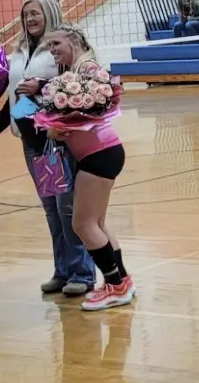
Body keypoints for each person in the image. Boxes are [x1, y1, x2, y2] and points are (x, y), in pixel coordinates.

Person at [0, 0, 94, 297]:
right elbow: (15, 101)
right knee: (52, 210)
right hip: (33, 144)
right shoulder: (20, 51)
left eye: (35, 13)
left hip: (57, 142)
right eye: (26, 14)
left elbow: (74, 88)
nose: (30, 19)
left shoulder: (59, 47)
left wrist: (41, 90)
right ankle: (63, 270)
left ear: (49, 14)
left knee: (67, 210)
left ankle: (82, 273)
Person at [42, 25, 134, 312]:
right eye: (49, 46)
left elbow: (87, 116)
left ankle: (115, 287)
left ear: (73, 41)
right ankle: (122, 281)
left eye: (56, 43)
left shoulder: (87, 71)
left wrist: (56, 128)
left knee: (82, 224)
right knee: (98, 223)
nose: (53, 49)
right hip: (101, 153)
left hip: (99, 153)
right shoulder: (77, 71)